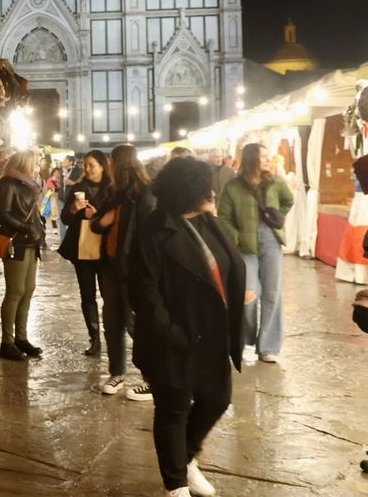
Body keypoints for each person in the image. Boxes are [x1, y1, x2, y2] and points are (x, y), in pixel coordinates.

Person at [130, 156, 247, 497]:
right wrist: (171, 334)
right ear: (187, 190)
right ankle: (175, 484)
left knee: (217, 399)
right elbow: (144, 293)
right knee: (173, 408)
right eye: (204, 187)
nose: (211, 192)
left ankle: (186, 457)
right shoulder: (153, 230)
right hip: (174, 338)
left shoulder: (208, 221)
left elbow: (227, 263)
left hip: (213, 334)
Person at [217, 142, 294, 363]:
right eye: (263, 156)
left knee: (272, 294)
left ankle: (268, 346)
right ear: (252, 159)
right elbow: (223, 218)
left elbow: (289, 200)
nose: (268, 159)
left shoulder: (275, 182)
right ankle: (244, 337)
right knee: (248, 294)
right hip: (245, 247)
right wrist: (237, 237)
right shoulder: (233, 186)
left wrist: (277, 215)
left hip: (271, 240)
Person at [94, 143, 157, 399]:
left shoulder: (145, 194)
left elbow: (148, 236)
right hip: (110, 266)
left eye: (111, 162)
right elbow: (98, 223)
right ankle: (117, 373)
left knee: (136, 324)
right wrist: (102, 222)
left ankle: (151, 378)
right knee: (112, 321)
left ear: (119, 164)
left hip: (133, 269)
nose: (109, 166)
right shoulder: (114, 192)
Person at [0, 149, 47, 361]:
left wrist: (37, 227)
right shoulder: (8, 183)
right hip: (17, 243)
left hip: (31, 243)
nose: (36, 167)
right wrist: (25, 228)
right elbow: (2, 214)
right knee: (15, 291)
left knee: (28, 290)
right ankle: (7, 343)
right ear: (25, 163)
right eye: (34, 163)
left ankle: (21, 338)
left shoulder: (28, 185)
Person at [58, 150, 111, 356]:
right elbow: (64, 219)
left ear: (102, 166)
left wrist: (95, 215)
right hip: (82, 249)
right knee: (87, 294)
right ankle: (95, 339)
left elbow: (117, 220)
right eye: (85, 165)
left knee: (109, 295)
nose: (87, 169)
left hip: (106, 249)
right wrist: (73, 208)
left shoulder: (112, 189)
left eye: (92, 165)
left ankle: (112, 335)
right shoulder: (78, 188)